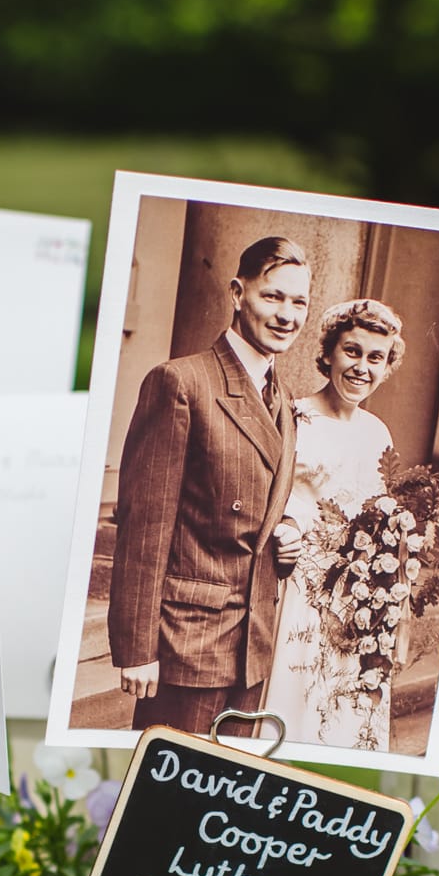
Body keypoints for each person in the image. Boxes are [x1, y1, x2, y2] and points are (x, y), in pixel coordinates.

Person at [106, 236, 310, 736]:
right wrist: (137, 649)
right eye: (272, 297)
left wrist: (285, 534)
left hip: (251, 643)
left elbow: (252, 498)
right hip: (188, 644)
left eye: (299, 301)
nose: (287, 315)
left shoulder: (282, 399)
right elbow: (144, 523)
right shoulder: (181, 383)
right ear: (238, 293)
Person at [268, 298, 407, 749]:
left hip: (361, 599)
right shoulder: (296, 417)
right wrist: (287, 526)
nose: (361, 367)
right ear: (328, 353)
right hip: (302, 590)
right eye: (352, 351)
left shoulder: (378, 432)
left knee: (347, 714)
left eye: (375, 358)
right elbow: (278, 499)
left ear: (387, 367)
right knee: (299, 700)